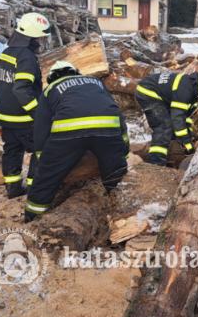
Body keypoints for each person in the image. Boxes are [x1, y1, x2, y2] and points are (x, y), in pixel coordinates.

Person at [24, 61, 129, 221]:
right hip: (107, 126)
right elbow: (114, 110)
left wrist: (42, 156)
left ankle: (32, 217)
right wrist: (123, 147)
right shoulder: (96, 82)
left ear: (52, 77)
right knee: (115, 172)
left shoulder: (50, 90)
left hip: (68, 131)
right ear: (75, 71)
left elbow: (42, 126)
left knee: (47, 178)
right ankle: (122, 212)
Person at [0, 12, 50, 198]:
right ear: (33, 37)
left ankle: (13, 187)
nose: (42, 41)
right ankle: (34, 187)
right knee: (40, 149)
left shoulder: (7, 52)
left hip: (5, 116)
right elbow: (21, 89)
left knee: (12, 150)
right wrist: (38, 112)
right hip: (23, 117)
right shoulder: (26, 57)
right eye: (41, 37)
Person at [134, 70, 198, 166]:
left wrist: (190, 135)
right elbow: (177, 120)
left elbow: (186, 117)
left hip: (160, 94)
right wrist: (188, 145)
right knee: (164, 127)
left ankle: (171, 150)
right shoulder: (185, 91)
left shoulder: (194, 88)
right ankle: (156, 162)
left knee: (171, 125)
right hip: (147, 92)